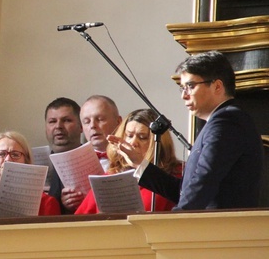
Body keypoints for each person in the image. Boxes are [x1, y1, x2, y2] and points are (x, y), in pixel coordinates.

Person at [112, 51, 263, 210]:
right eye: (182, 88)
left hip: (221, 231)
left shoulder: (227, 122)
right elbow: (184, 192)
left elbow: (203, 183)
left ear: (217, 86)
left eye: (190, 86)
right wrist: (139, 162)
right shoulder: (219, 122)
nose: (184, 95)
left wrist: (175, 224)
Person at [75, 109, 181, 214]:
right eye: (129, 136)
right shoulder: (110, 176)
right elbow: (79, 220)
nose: (133, 142)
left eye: (142, 137)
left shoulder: (175, 175)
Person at [0, 131, 60, 218]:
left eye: (15, 154)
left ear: (26, 162)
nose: (8, 159)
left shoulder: (46, 203)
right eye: (1, 154)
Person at [43, 97, 83, 214]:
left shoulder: (95, 161)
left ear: (81, 126)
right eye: (52, 121)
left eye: (66, 120)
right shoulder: (32, 162)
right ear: (46, 128)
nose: (58, 126)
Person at [79, 95, 122, 171]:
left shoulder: (134, 156)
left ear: (118, 122)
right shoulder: (76, 162)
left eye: (100, 119)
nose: (92, 125)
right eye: (87, 122)